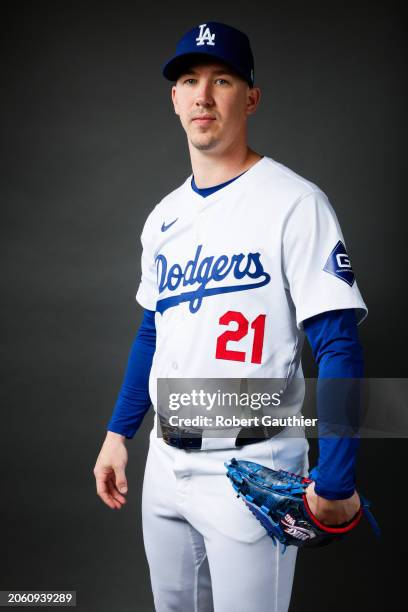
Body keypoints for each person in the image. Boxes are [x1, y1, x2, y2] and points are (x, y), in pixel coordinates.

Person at [94, 21, 366, 612]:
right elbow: (152, 332)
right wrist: (119, 434)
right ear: (174, 99)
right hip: (166, 464)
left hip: (256, 460)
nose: (203, 95)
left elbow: (339, 346)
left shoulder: (296, 203)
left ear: (251, 96)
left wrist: (337, 478)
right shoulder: (161, 217)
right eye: (189, 81)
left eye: (222, 80)